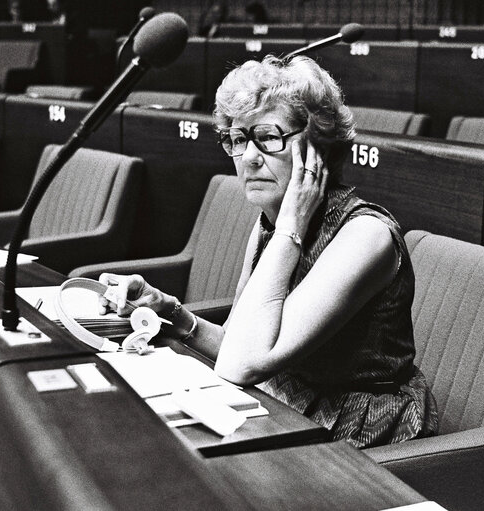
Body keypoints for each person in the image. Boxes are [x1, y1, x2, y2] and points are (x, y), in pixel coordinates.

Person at [100, 55, 438, 448]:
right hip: (287, 409)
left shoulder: (365, 235)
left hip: (361, 434)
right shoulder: (274, 222)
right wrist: (171, 313)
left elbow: (240, 364)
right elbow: (239, 344)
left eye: (268, 136)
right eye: (239, 138)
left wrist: (289, 229)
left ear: (318, 147)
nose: (248, 156)